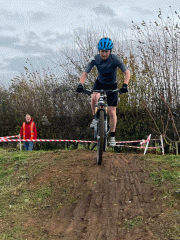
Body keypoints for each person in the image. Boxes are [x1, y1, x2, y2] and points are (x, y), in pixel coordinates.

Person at [76, 37, 130, 147]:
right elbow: (85, 73)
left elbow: (127, 72)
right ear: (99, 51)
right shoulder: (95, 58)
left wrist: (125, 85)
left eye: (106, 51)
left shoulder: (115, 59)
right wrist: (80, 84)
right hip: (99, 83)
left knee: (111, 111)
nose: (104, 54)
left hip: (112, 85)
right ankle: (95, 118)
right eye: (102, 51)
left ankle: (113, 136)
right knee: (94, 97)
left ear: (110, 51)